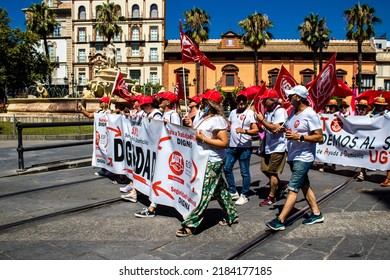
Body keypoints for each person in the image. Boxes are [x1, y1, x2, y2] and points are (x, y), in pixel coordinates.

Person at [176, 89, 238, 237]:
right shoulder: (203, 116)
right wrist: (190, 125)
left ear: (210, 103)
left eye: (204, 100)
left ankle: (191, 223)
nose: (201, 102)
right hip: (202, 158)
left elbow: (224, 143)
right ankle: (231, 214)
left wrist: (203, 139)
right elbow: (198, 134)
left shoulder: (217, 120)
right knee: (219, 189)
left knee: (203, 192)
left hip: (213, 160)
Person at [266, 85, 324, 231]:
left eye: (291, 95)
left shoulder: (310, 114)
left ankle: (280, 220)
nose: (288, 98)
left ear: (298, 97)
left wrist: (300, 136)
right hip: (293, 155)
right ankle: (316, 213)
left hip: (304, 157)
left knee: (293, 188)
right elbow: (290, 128)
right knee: (304, 185)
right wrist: (283, 129)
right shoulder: (292, 112)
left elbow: (320, 137)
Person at [134, 91, 181, 218]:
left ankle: (152, 207)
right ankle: (154, 205)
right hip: (160, 150)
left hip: (168, 152)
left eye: (162, 100)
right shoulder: (164, 114)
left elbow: (177, 133)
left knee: (161, 177)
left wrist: (168, 125)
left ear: (168, 102)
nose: (159, 101)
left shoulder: (173, 115)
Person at [223, 91, 258, 206]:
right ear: (236, 100)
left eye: (243, 99)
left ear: (247, 100)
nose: (241, 102)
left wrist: (244, 131)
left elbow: (256, 130)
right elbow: (230, 124)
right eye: (239, 99)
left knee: (244, 172)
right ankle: (233, 191)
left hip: (244, 147)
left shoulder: (250, 113)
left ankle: (245, 194)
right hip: (232, 146)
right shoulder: (233, 112)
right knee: (227, 168)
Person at [255, 89, 288, 207]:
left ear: (272, 101)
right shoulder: (268, 112)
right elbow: (269, 128)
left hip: (278, 147)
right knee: (264, 169)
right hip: (267, 145)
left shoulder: (280, 111)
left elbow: (275, 129)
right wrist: (261, 127)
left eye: (265, 99)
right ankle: (281, 185)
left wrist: (262, 121)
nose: (263, 101)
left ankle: (271, 197)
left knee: (272, 172)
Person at [78, 96, 112, 177]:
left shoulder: (109, 112)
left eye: (102, 102)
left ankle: (109, 169)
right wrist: (82, 110)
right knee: (100, 151)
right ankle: (103, 169)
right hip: (100, 135)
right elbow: (90, 115)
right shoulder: (99, 111)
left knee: (107, 152)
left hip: (107, 135)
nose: (100, 103)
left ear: (106, 103)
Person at [355, 99, 370, 181]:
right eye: (359, 108)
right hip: (358, 139)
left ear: (366, 109)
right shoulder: (356, 117)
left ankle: (362, 171)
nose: (361, 110)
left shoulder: (370, 117)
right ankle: (362, 171)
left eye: (363, 108)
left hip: (368, 139)